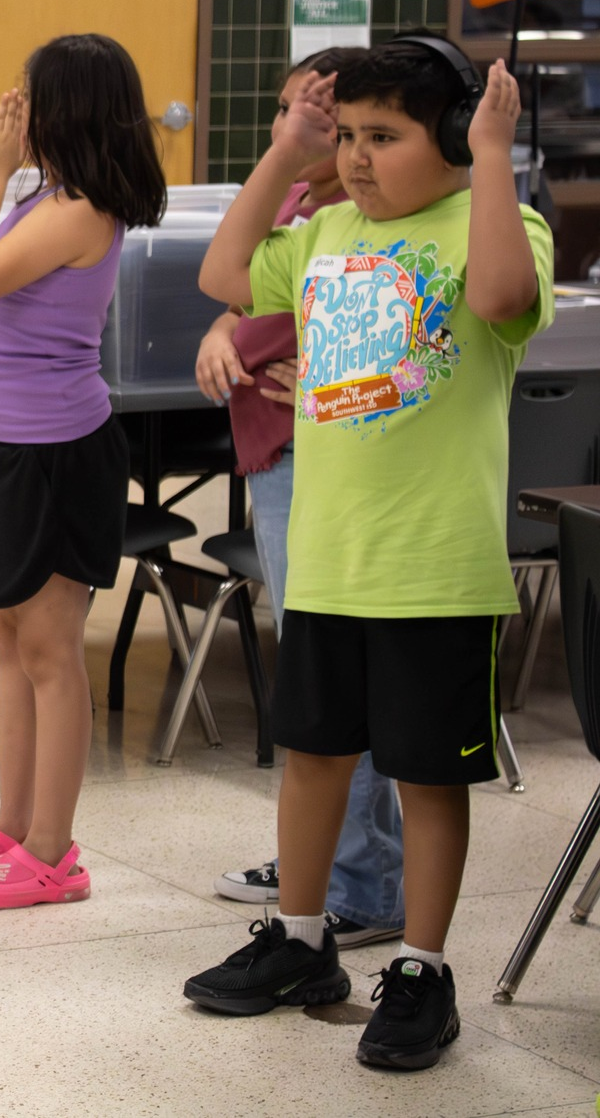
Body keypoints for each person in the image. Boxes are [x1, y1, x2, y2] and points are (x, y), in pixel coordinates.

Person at [184, 39, 552, 1071]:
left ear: (445, 137)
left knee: (426, 777)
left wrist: (487, 158)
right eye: (345, 136)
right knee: (310, 758)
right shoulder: (323, 233)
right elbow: (222, 274)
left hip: (435, 566)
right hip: (333, 556)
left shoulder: (498, 222)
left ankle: (422, 969)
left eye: (380, 137)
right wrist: (282, 152)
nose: (353, 159)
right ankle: (300, 942)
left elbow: (492, 303)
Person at [0, 34, 166, 909]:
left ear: (63, 112)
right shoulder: (49, 196)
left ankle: (53, 850)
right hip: (8, 447)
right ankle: (14, 820)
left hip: (58, 454)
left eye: (25, 97)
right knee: (7, 640)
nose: (8, 107)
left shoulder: (80, 210)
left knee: (48, 651)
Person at [195, 48, 405, 951]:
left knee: (333, 681)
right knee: (316, 678)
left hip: (318, 453)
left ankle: (360, 880)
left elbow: (391, 339)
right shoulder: (300, 204)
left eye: (318, 115)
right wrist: (221, 328)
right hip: (274, 449)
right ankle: (325, 857)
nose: (303, 130)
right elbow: (238, 285)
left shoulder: (368, 218)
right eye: (296, 116)